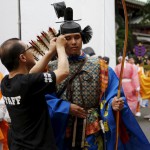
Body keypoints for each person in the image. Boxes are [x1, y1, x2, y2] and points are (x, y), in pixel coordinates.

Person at [48, 6, 150, 150]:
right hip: (63, 127)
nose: (73, 42)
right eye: (67, 38)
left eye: (77, 37)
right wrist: (66, 107)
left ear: (82, 38)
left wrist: (114, 103)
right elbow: (44, 97)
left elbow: (112, 92)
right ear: (60, 41)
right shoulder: (51, 68)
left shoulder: (99, 65)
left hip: (93, 129)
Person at [0, 36, 70, 150]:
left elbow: (31, 75)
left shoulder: (6, 82)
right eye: (29, 49)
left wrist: (50, 52)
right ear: (22, 57)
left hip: (18, 145)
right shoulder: (28, 83)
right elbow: (63, 72)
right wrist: (60, 47)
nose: (32, 52)